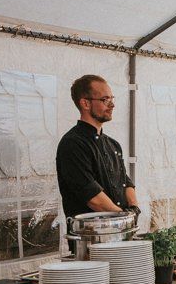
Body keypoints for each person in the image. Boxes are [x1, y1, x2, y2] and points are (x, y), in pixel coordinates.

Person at [56, 75, 140, 227]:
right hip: (91, 237)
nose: (112, 104)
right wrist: (124, 217)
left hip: (121, 230)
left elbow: (125, 182)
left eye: (112, 98)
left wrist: (133, 209)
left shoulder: (113, 144)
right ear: (85, 103)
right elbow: (92, 197)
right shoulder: (73, 143)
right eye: (105, 99)